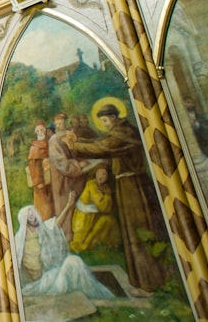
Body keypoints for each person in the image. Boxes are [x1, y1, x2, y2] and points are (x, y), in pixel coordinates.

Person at [71, 100, 173, 292]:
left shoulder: (125, 134)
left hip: (134, 188)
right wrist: (79, 142)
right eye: (101, 122)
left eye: (106, 121)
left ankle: (153, 279)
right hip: (126, 186)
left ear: (113, 117)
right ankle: (142, 280)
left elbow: (104, 147)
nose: (104, 125)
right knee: (131, 230)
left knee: (140, 228)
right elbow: (99, 142)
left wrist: (74, 146)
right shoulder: (118, 132)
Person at [14, 199, 114, 299]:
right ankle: (98, 296)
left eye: (33, 214)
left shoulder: (43, 231)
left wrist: (69, 206)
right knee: (73, 262)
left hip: (51, 275)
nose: (33, 217)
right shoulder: (20, 242)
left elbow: (55, 226)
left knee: (74, 262)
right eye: (29, 216)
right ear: (25, 221)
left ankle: (96, 296)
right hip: (41, 283)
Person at [47, 112, 87, 238]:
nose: (59, 125)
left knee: (75, 200)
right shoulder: (53, 140)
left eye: (61, 122)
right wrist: (77, 166)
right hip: (61, 176)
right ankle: (65, 234)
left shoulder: (70, 135)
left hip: (73, 175)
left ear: (65, 123)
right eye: (57, 123)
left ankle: (77, 231)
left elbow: (76, 152)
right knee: (63, 202)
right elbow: (59, 161)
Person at [70, 164, 120, 253]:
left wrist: (107, 197)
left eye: (104, 174)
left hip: (93, 215)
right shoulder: (92, 185)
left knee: (106, 224)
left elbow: (108, 207)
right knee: (80, 241)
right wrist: (108, 196)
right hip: (83, 217)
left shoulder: (105, 187)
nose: (101, 177)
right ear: (95, 174)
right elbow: (103, 205)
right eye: (99, 174)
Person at [27, 121, 54, 220]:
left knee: (52, 203)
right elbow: (33, 166)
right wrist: (38, 181)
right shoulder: (34, 148)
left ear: (45, 130)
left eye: (42, 130)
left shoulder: (49, 143)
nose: (40, 132)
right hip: (41, 182)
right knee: (43, 205)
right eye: (38, 130)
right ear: (36, 132)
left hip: (51, 179)